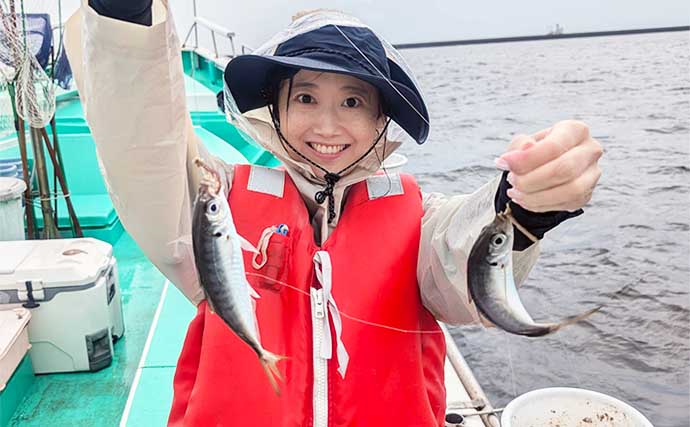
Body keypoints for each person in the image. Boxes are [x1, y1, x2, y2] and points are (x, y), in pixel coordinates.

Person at [64, 1, 603, 426]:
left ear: (379, 122)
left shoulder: (419, 218)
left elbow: (461, 260)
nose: (326, 126)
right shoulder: (216, 199)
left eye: (352, 101)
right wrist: (124, 18)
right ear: (274, 109)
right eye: (304, 98)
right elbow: (145, 149)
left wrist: (525, 202)